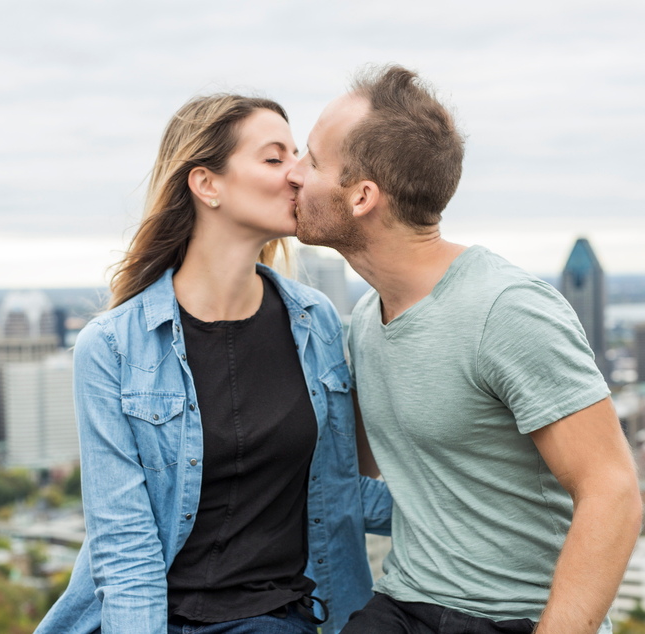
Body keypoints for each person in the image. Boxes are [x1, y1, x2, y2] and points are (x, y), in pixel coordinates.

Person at [287, 65, 642, 634]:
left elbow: (613, 490)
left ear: (361, 196)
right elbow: (357, 468)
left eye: (311, 158)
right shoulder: (364, 320)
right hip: (404, 602)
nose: (293, 173)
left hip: (511, 617)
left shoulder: (505, 310)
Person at [35, 93, 391, 634]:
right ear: (206, 185)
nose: (299, 175)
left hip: (283, 619)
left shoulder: (316, 322)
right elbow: (124, 550)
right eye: (275, 159)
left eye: (298, 157)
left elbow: (341, 488)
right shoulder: (112, 347)